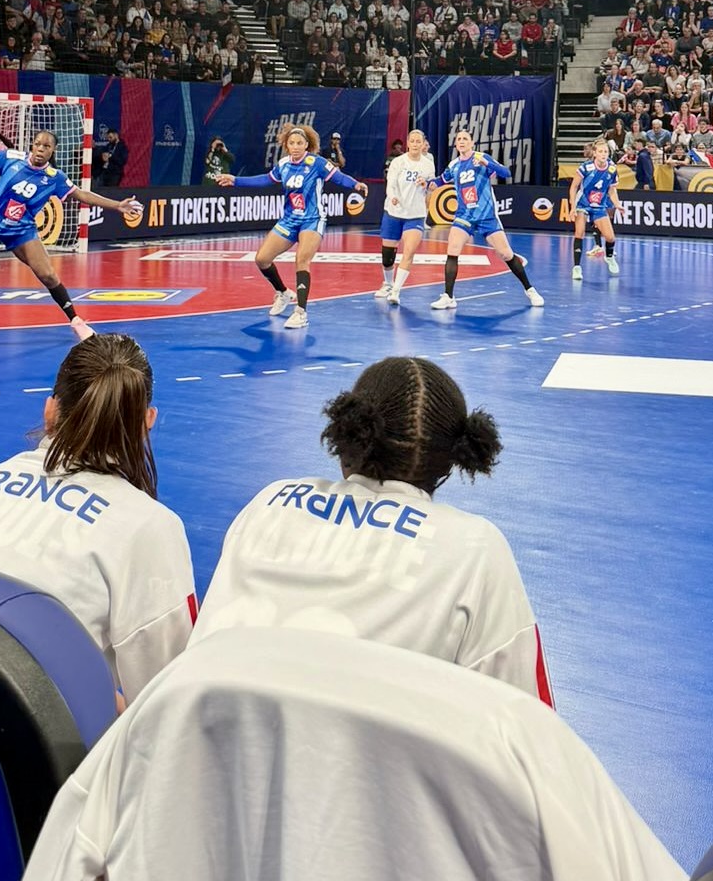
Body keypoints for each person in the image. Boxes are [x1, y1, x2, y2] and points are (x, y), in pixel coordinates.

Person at [194, 356, 552, 702]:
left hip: (194, 741)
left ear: (346, 436)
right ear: (451, 460)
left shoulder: (269, 501)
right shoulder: (473, 547)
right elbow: (527, 725)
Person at [0, 336, 196, 702]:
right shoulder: (149, 527)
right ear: (148, 421)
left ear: (50, 411)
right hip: (26, 741)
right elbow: (168, 700)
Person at [0, 128, 143, 351]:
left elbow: (82, 195)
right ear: (32, 145)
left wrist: (117, 205)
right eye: (38, 144)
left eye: (47, 146)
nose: (41, 149)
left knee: (48, 275)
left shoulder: (55, 178)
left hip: (22, 230)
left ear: (53, 151)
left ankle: (76, 321)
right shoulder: (11, 158)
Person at [216, 125, 368, 330]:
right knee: (262, 259)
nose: (295, 147)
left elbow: (339, 177)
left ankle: (301, 312)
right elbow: (264, 180)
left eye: (300, 143)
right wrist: (235, 180)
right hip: (289, 219)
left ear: (307, 145)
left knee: (302, 259)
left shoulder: (317, 163)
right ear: (286, 145)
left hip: (312, 219)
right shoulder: (284, 164)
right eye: (292, 143)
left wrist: (355, 184)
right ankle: (283, 292)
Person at [428, 131, 543, 311]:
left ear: (472, 142)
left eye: (465, 138)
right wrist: (428, 183)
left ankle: (530, 289)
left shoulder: (481, 158)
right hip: (464, 215)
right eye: (458, 139)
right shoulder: (454, 165)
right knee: (452, 249)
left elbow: (505, 172)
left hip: (486, 215)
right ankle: (448, 296)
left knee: (506, 254)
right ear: (456, 145)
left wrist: (486, 163)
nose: (461, 141)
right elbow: (440, 180)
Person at [377, 128, 434, 306]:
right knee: (388, 256)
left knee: (409, 251)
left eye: (419, 141)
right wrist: (392, 197)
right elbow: (391, 184)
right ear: (408, 143)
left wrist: (428, 185)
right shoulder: (398, 162)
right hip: (394, 212)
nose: (416, 144)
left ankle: (396, 291)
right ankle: (388, 282)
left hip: (415, 214)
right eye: (413, 141)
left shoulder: (427, 164)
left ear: (423, 144)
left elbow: (432, 184)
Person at [568, 140, 621, 281]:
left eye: (606, 152)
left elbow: (612, 190)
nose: (604, 154)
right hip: (582, 204)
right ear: (595, 153)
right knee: (579, 233)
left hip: (599, 206)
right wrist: (572, 206)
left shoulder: (612, 168)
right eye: (601, 152)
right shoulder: (586, 167)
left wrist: (617, 204)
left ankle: (609, 257)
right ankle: (577, 268)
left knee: (610, 238)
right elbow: (573, 187)